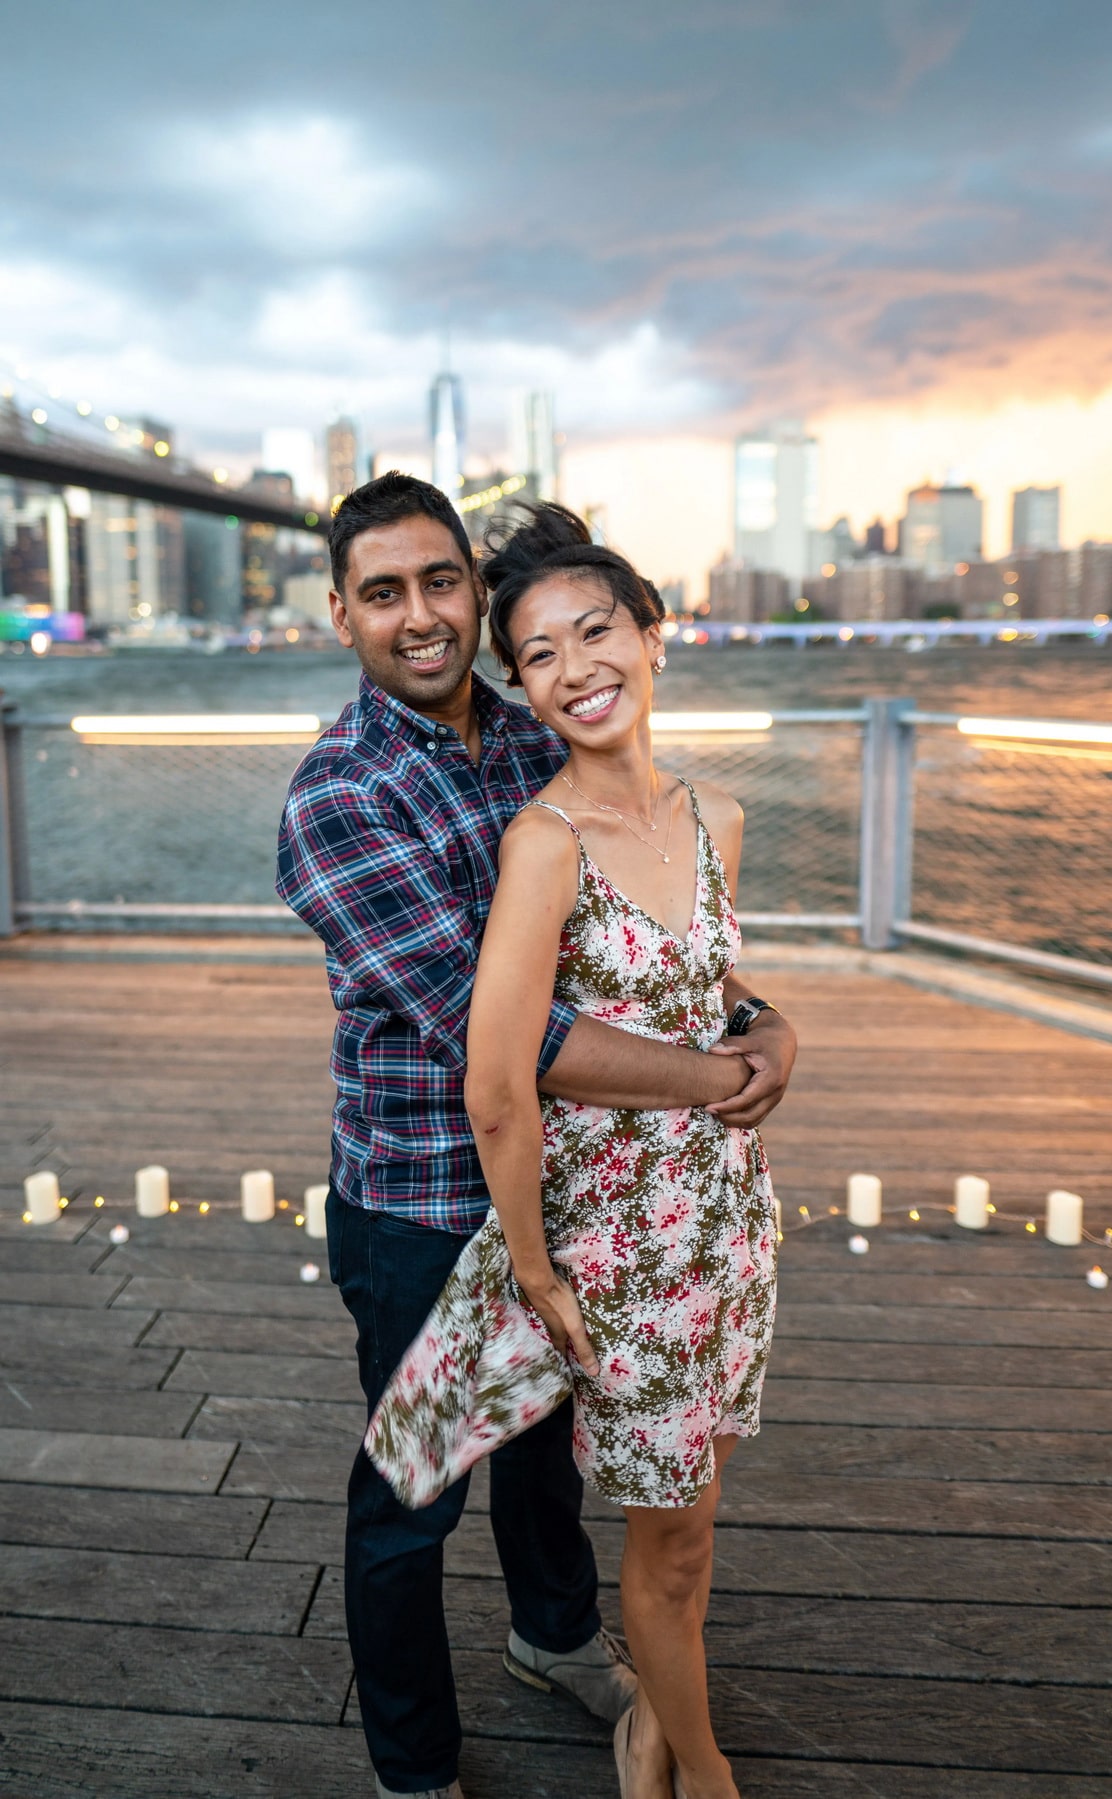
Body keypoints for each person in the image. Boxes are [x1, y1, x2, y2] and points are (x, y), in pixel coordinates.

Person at [276, 473, 796, 1799]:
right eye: (382, 593)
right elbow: (507, 1045)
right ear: (342, 615)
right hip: (422, 1196)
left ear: (476, 591)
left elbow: (643, 955)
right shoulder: (337, 800)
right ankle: (411, 1764)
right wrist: (719, 1074)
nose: (421, 615)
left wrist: (759, 1016)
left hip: (583, 1186)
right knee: (414, 1486)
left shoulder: (529, 734)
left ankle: (554, 1636)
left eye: (440, 582)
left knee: (550, 1460)